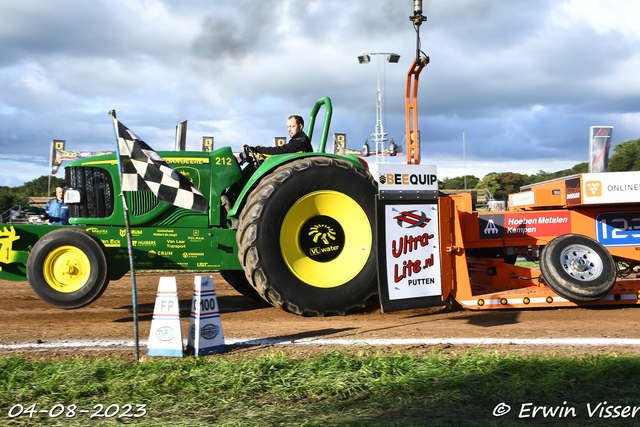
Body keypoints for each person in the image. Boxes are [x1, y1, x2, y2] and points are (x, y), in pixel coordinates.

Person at [243, 115, 312, 155]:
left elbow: (278, 151)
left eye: (292, 126)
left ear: (300, 127)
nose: (289, 129)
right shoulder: (297, 141)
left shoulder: (300, 143)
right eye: (288, 127)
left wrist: (256, 149)